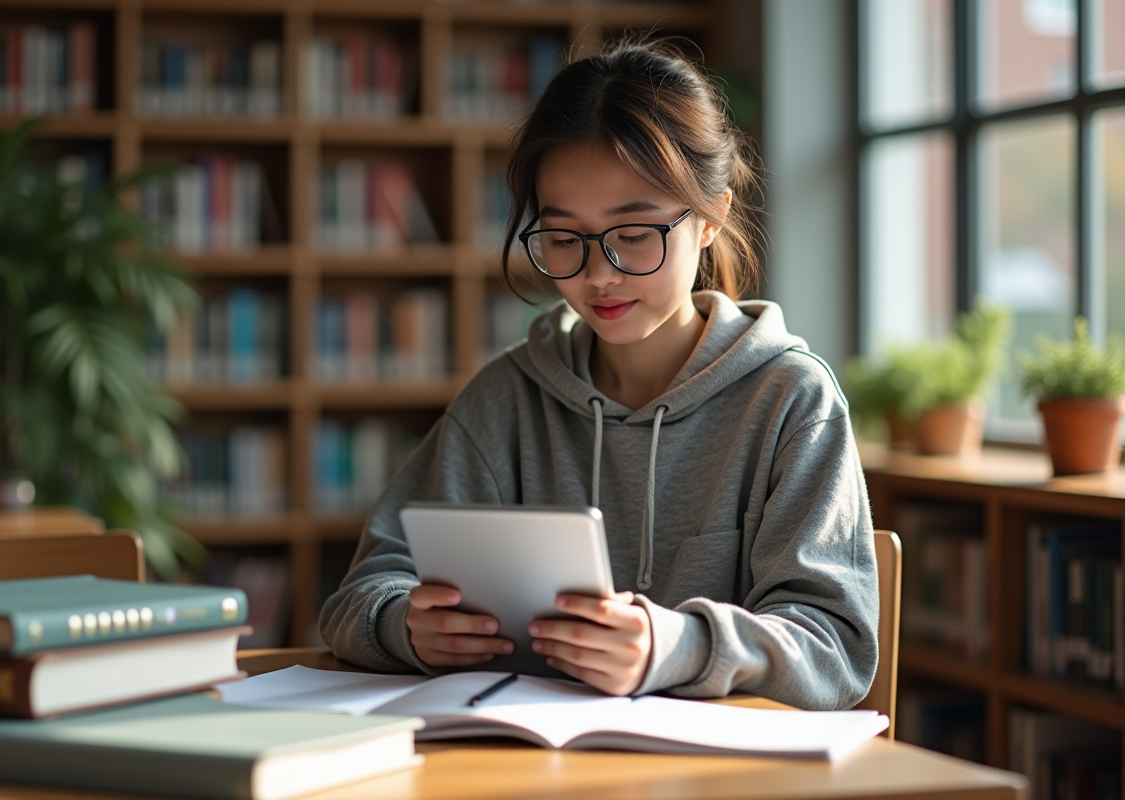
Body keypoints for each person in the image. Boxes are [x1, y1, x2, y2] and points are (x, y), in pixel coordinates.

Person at [319, 39, 878, 710]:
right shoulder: (506, 401)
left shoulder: (791, 401)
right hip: (526, 762)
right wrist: (404, 626)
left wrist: (680, 644)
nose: (598, 273)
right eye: (563, 237)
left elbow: (837, 647)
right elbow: (357, 598)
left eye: (634, 232)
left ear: (711, 219)